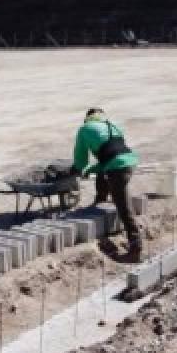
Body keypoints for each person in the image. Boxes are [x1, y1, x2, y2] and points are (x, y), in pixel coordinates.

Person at [70, 108, 142, 260]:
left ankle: (135, 248)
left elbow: (80, 158)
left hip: (118, 167)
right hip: (129, 160)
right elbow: (110, 156)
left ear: (87, 118)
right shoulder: (112, 125)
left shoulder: (84, 129)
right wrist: (91, 169)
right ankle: (100, 202)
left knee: (123, 206)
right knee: (103, 174)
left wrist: (77, 169)